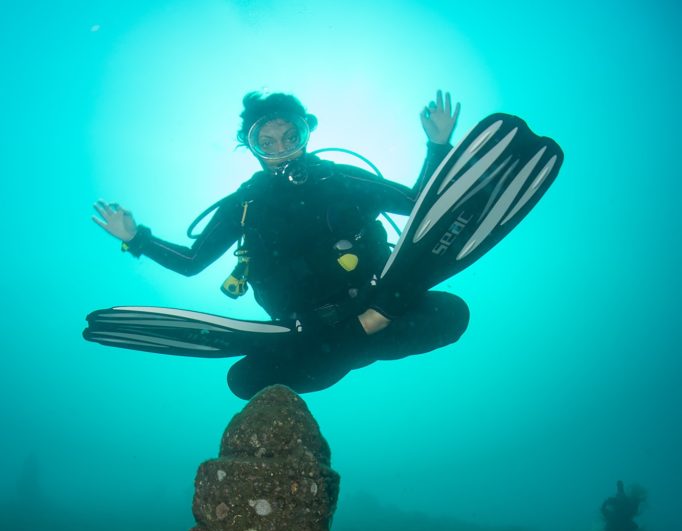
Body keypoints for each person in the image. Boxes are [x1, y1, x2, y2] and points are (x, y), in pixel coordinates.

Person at [88, 90, 562, 398]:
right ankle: (356, 341)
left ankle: (360, 335)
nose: (282, 147)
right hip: (313, 333)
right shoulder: (245, 203)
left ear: (307, 132)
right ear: (251, 147)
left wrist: (439, 145)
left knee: (453, 313)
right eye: (267, 141)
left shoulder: (343, 179)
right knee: (243, 381)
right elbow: (192, 263)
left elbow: (422, 209)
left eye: (291, 135)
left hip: (383, 303)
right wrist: (138, 240)